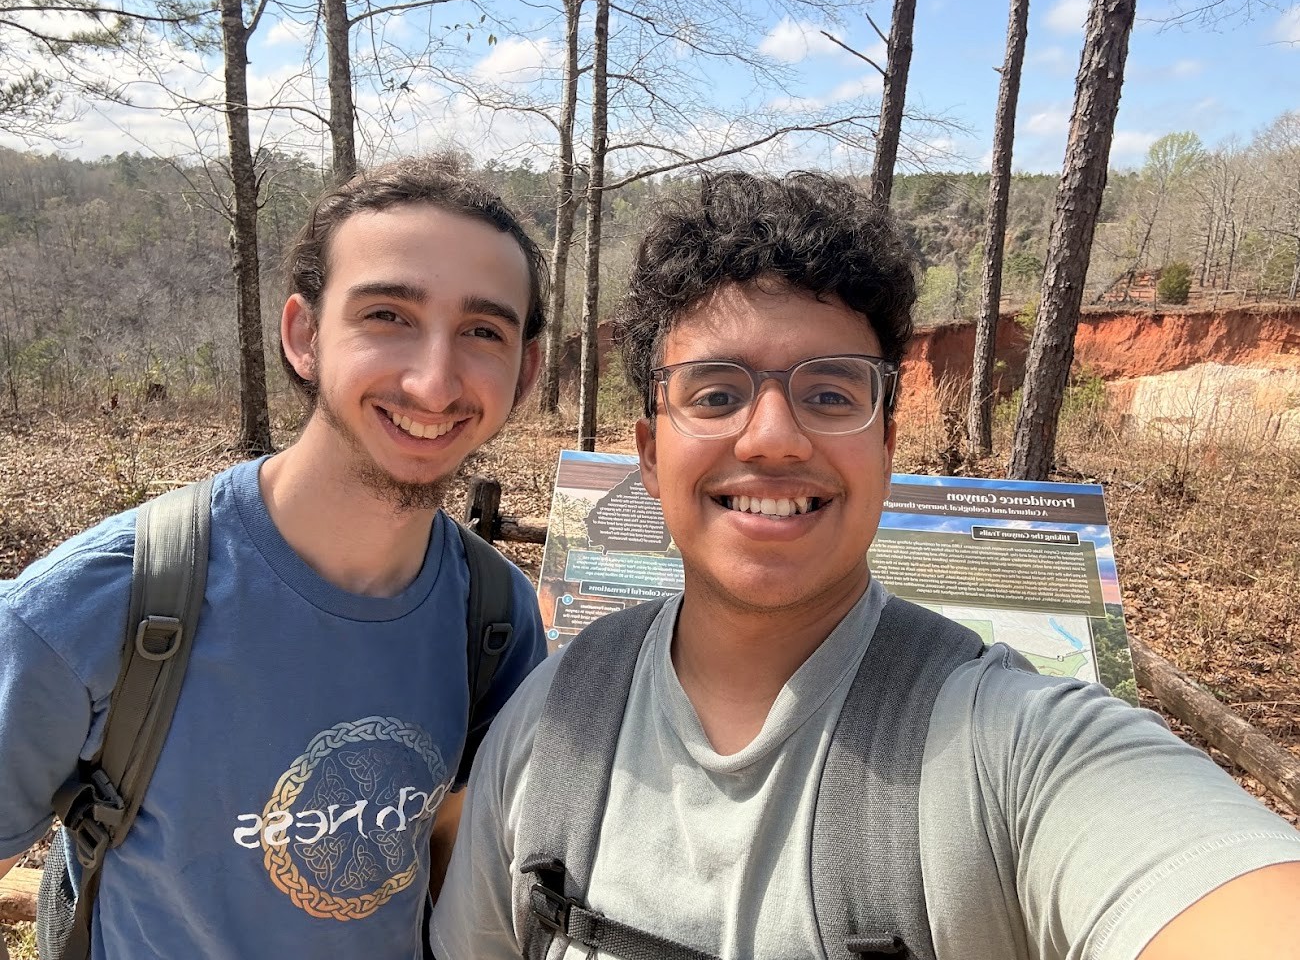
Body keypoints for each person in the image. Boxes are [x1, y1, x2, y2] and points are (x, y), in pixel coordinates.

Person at [428, 171, 1300, 960]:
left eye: (830, 392)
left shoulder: (1013, 751)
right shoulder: (550, 727)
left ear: (886, 443)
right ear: (651, 453)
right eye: (717, 393)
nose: (772, 436)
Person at [0, 156, 550, 959]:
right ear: (303, 335)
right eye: (388, 315)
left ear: (525, 371)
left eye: (482, 331)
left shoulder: (493, 618)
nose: (434, 381)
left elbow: (445, 855)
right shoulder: (98, 604)